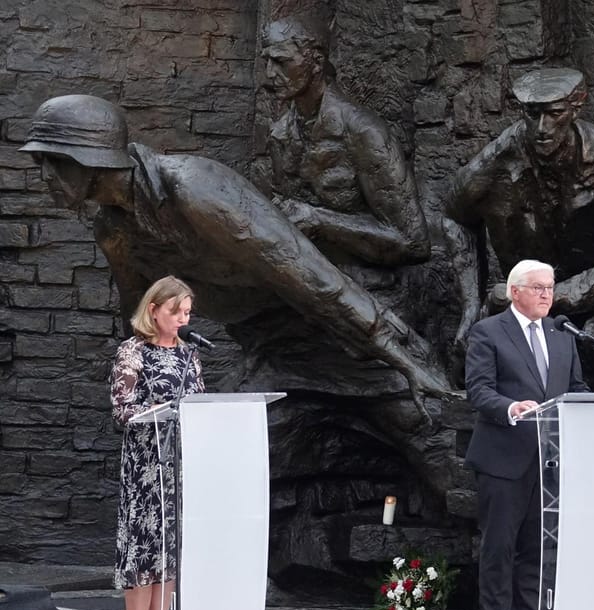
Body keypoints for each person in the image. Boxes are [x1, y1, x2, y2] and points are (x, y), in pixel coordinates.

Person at [18, 94, 451, 414]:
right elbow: (142, 317)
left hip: (344, 318)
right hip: (273, 339)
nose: (44, 176)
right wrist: (141, 382)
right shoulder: (113, 228)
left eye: (52, 161)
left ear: (88, 158)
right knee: (218, 441)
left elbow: (312, 276)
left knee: (421, 415)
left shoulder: (192, 188)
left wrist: (405, 357)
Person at [445, 68, 594, 449]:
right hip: (545, 300)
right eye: (531, 114)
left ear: (576, 108)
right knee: (477, 344)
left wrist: (535, 296)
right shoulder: (502, 155)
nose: (540, 127)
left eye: (553, 114)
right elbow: (454, 215)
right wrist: (470, 306)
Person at [464, 259, 588, 610]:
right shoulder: (487, 332)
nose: (546, 295)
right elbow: (478, 391)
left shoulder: (562, 334)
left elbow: (576, 388)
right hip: (503, 458)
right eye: (538, 287)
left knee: (536, 551)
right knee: (500, 547)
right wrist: (511, 407)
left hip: (549, 459)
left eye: (550, 287)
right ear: (514, 292)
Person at [259, 16, 431, 267]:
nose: (269, 74)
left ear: (316, 61)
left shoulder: (364, 132)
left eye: (281, 62)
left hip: (369, 288)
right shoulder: (280, 133)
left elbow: (413, 243)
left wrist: (319, 221)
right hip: (301, 277)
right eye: (267, 62)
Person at [109, 276, 205, 610]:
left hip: (178, 464)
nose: (183, 319)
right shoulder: (133, 352)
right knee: (142, 553)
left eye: (186, 312)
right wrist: (157, 413)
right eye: (175, 311)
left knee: (168, 554)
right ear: (153, 310)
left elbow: (199, 402)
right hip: (145, 467)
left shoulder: (189, 355)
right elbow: (121, 409)